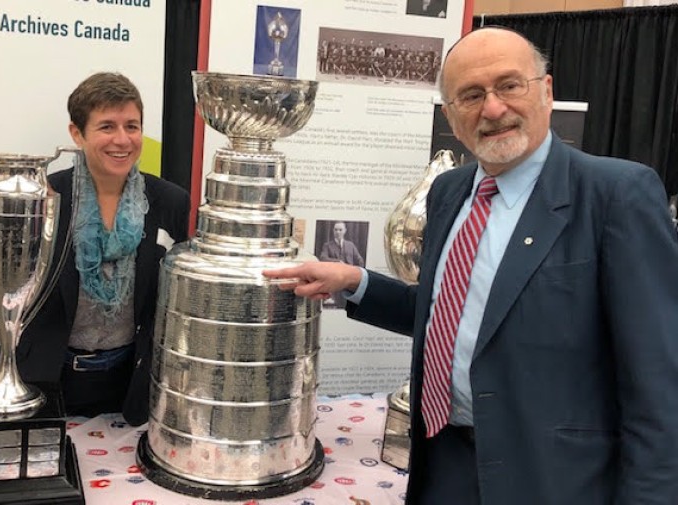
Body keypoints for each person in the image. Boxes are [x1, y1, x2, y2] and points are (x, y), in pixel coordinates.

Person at [264, 27, 678, 504]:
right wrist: (354, 281)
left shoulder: (616, 195)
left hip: (553, 480)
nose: (494, 109)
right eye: (472, 95)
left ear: (546, 90)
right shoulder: (449, 191)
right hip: (444, 463)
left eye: (509, 85)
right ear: (450, 115)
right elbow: (453, 314)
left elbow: (659, 383)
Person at [0, 72, 191, 425]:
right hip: (45, 381)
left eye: (132, 126)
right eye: (106, 126)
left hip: (131, 390)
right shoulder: (42, 199)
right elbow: (1, 298)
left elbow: (177, 307)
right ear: (77, 133)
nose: (122, 139)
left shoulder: (170, 202)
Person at [318, 221, 364, 308]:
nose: (338, 232)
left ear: (345, 231)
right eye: (336, 230)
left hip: (349, 278)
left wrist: (356, 271)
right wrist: (337, 262)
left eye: (340, 230)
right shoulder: (327, 245)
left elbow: (360, 260)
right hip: (334, 278)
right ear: (333, 231)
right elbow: (323, 258)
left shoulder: (350, 245)